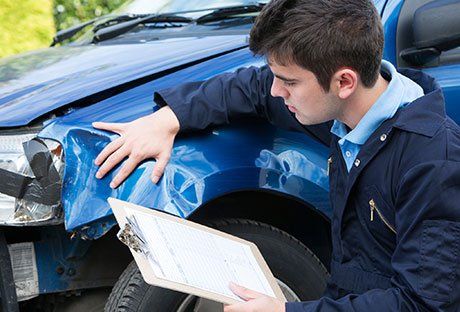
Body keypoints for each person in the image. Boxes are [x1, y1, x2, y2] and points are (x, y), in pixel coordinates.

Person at [93, 0, 460, 310]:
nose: (276, 90)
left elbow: (423, 303)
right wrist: (168, 119)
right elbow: (251, 88)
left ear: (344, 82)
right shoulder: (342, 108)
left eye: (288, 81)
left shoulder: (432, 161)